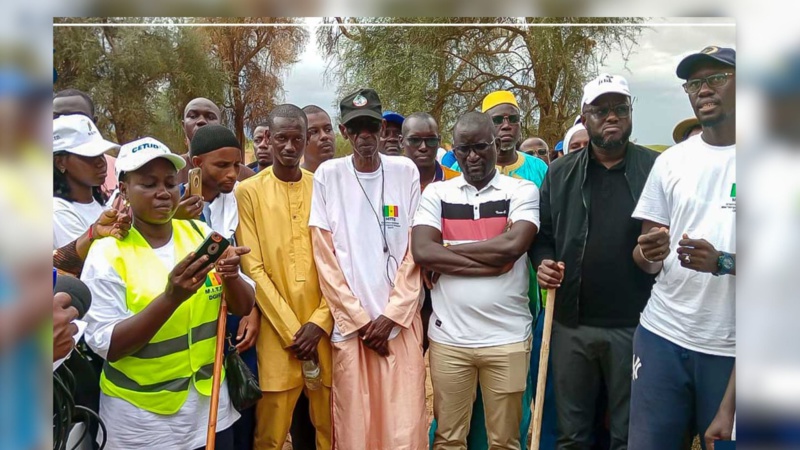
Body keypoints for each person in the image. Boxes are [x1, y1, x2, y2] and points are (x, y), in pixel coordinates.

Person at [81, 136, 256, 450]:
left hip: (210, 411)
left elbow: (242, 305)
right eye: (148, 184)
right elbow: (110, 347)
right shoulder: (106, 254)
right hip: (141, 424)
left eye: (169, 182)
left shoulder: (202, 235)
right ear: (123, 190)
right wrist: (171, 298)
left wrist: (232, 278)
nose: (162, 192)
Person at [532, 73, 659, 450]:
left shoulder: (656, 169)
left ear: (630, 113)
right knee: (573, 435)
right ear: (585, 116)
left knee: (627, 433)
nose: (612, 117)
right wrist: (544, 263)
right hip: (572, 324)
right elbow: (544, 238)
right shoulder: (559, 173)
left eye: (620, 108)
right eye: (601, 110)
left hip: (637, 325)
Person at [628, 46, 736, 450]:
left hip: (735, 348)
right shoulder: (671, 162)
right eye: (694, 83)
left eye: (717, 78)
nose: (703, 90)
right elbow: (645, 258)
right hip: (663, 336)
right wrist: (648, 253)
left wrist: (723, 261)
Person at [412, 111, 539, 450]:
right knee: (449, 439)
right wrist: (493, 261)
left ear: (496, 144)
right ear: (454, 151)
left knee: (505, 442)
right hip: (450, 340)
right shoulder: (437, 194)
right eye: (463, 149)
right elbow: (423, 251)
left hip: (508, 338)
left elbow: (514, 245)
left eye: (481, 147)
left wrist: (449, 249)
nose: (472, 157)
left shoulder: (522, 190)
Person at [309, 88, 426, 450]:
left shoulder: (405, 171)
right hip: (353, 330)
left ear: (383, 130)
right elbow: (324, 256)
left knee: (404, 426)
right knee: (357, 427)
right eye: (356, 128)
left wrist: (392, 316)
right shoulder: (329, 175)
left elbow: (414, 250)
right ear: (344, 131)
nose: (365, 136)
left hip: (399, 326)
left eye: (371, 127)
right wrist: (359, 321)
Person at [235, 104, 334, 450]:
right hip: (279, 337)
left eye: (297, 139)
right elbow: (253, 267)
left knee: (328, 430)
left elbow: (339, 263)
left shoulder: (323, 187)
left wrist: (319, 322)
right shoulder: (248, 192)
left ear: (306, 140)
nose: (290, 147)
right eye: (282, 139)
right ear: (268, 140)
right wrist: (295, 331)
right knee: (270, 435)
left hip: (323, 332)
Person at [188, 124, 261, 450]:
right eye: (222, 166)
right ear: (197, 163)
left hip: (237, 321)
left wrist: (253, 311)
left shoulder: (238, 204)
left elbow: (253, 263)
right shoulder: (174, 208)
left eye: (236, 164)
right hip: (196, 327)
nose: (232, 173)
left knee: (243, 410)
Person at [401, 112, 458, 353]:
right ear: (402, 142)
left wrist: (435, 258)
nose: (423, 147)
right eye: (415, 140)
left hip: (445, 282)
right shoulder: (387, 181)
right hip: (400, 283)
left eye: (431, 140)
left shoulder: (457, 181)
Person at [53, 114, 124, 250]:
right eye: (89, 155)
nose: (101, 162)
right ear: (60, 162)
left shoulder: (102, 207)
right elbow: (85, 264)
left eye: (101, 153)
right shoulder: (58, 212)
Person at [53, 88, 118, 196]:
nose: (65, 123)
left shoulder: (118, 171)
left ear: (93, 122)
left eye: (79, 118)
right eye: (57, 117)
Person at [177, 97, 256, 183]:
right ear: (183, 125)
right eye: (193, 116)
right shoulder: (171, 171)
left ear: (220, 126)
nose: (201, 121)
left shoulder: (247, 178)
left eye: (210, 117)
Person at [301, 105, 336, 173]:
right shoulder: (291, 180)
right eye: (314, 132)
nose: (324, 136)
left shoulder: (350, 176)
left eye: (328, 130)